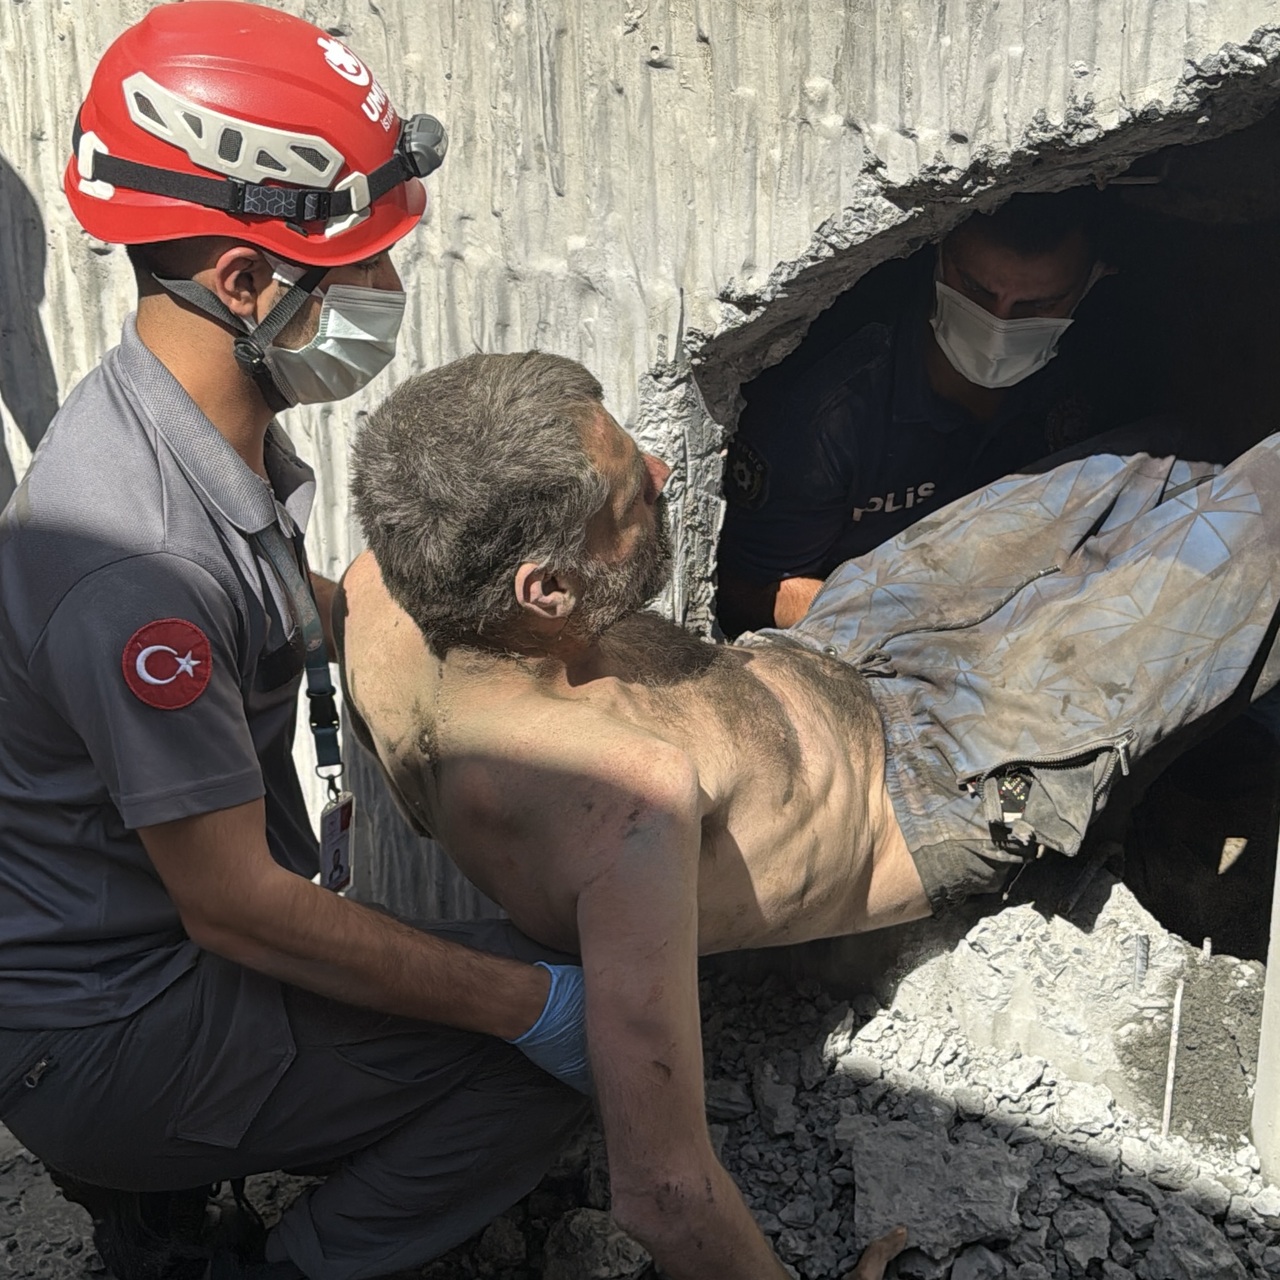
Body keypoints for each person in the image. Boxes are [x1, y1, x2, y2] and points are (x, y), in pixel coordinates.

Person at [340, 349, 1280, 1280]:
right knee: (1265, 518)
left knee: (1160, 455)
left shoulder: (387, 594)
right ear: (544, 590)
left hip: (845, 638)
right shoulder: (617, 807)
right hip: (960, 763)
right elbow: (663, 1190)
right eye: (631, 495)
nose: (666, 474)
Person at [0, 9, 592, 1280]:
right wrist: (538, 1007)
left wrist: (455, 623)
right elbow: (236, 906)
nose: (385, 295)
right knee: (539, 1063)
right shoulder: (134, 565)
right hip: (111, 1025)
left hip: (112, 967)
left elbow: (276, 607)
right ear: (245, 282)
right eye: (364, 265)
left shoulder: (182, 434)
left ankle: (156, 1217)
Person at [716, 188, 1143, 637]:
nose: (998, 323)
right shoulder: (829, 414)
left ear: (1094, 280)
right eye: (975, 289)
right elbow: (751, 589)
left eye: (1038, 305)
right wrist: (906, 628)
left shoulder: (1103, 360)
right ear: (937, 258)